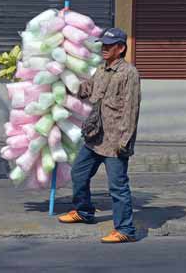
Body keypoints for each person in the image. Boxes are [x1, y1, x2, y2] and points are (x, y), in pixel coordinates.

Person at [57, 28, 141, 243]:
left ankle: (125, 230)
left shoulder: (128, 73)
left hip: (115, 142)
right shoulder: (101, 70)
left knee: (117, 187)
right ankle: (84, 212)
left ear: (120, 48)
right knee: (78, 174)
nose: (103, 49)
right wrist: (62, 82)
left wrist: (124, 142)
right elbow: (86, 90)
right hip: (95, 136)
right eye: (102, 45)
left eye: (108, 46)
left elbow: (131, 110)